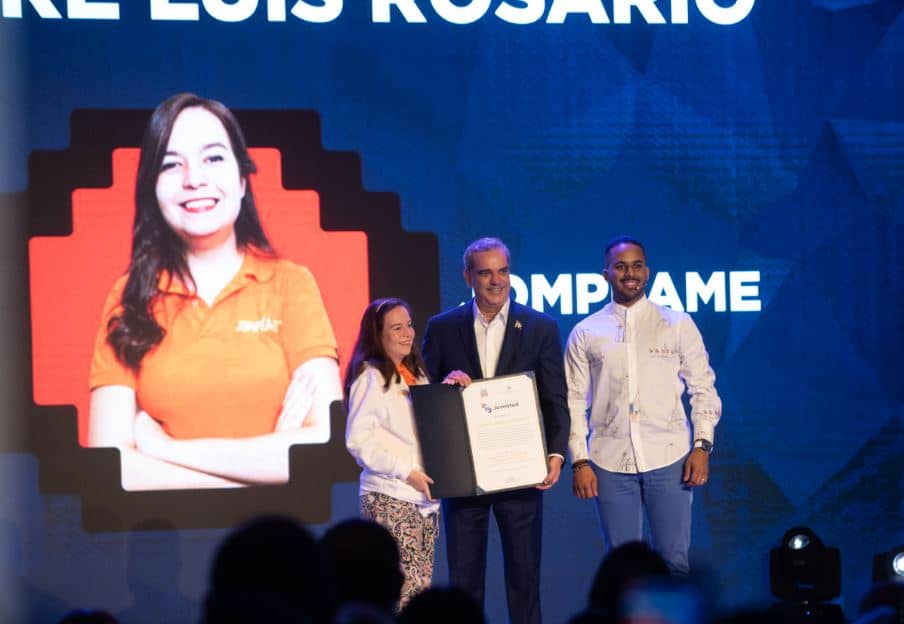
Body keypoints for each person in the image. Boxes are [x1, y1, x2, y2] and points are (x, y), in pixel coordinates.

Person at [88, 93, 342, 490]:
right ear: (152, 187)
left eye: (213, 158)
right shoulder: (128, 297)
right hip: (162, 537)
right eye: (171, 164)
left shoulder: (290, 284)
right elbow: (111, 464)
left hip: (279, 535)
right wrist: (257, 471)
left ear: (242, 180)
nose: (194, 178)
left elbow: (326, 446)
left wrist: (164, 450)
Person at [421, 237, 570, 624]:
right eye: (485, 272)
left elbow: (555, 396)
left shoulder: (540, 327)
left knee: (524, 579)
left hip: (521, 472)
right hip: (464, 474)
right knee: (464, 584)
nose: (496, 280)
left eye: (502, 270)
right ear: (467, 276)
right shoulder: (442, 328)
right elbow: (424, 399)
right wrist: (444, 385)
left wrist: (555, 454)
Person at [565, 236, 722, 575]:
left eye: (637, 266)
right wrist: (579, 460)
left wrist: (702, 446)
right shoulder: (586, 332)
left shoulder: (677, 323)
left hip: (670, 457)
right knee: (623, 571)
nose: (629, 273)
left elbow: (704, 390)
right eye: (620, 266)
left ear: (647, 272)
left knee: (674, 564)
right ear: (606, 273)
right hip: (608, 460)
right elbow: (574, 401)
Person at [344, 298, 446, 609]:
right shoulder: (370, 376)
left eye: (409, 325)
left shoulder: (417, 373)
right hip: (390, 498)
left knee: (417, 592)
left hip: (425, 502)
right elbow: (359, 440)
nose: (407, 333)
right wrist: (406, 472)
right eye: (396, 327)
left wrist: (453, 391)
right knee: (399, 596)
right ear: (378, 334)